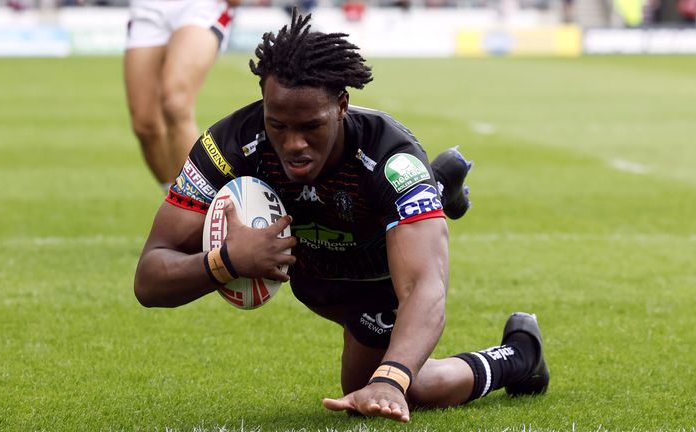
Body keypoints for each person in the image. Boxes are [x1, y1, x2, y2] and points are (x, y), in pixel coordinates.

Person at [134, 9, 549, 423]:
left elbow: (426, 287)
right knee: (379, 384)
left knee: (388, 391)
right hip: (313, 272)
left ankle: (519, 356)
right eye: (278, 125)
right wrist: (225, 261)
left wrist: (391, 378)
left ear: (342, 106)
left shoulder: (391, 158)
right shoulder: (229, 145)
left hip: (374, 276)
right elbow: (149, 279)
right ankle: (438, 188)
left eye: (310, 126)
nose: (294, 143)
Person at [124, 0, 241, 192]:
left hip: (199, 7)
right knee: (145, 126)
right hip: (147, 8)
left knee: (175, 103)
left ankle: (198, 203)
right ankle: (174, 198)